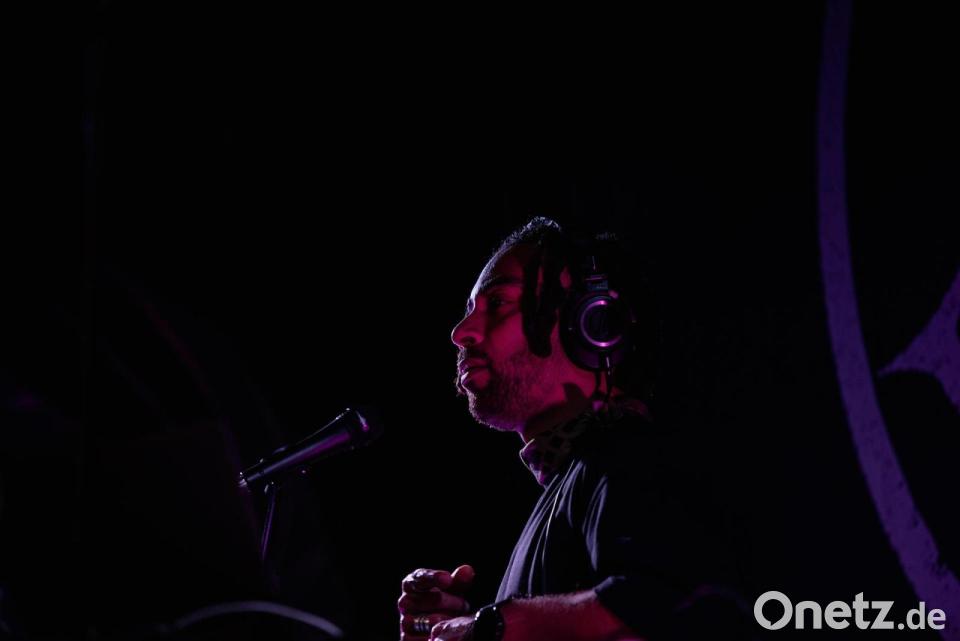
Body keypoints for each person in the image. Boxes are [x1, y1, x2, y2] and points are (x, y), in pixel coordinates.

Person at [398, 218, 748, 641]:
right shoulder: (581, 476)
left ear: (595, 322)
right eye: (470, 312)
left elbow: (661, 606)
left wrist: (486, 628)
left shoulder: (628, 459)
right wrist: (444, 630)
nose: (461, 332)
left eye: (498, 303)